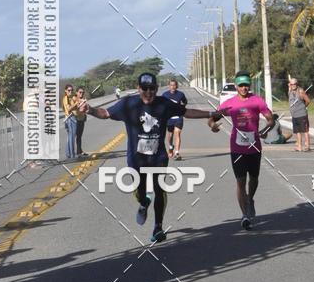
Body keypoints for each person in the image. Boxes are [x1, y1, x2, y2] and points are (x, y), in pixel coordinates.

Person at [80, 73, 212, 243]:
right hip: (136, 160)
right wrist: (89, 110)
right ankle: (143, 203)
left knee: (160, 189)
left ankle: (158, 227)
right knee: (140, 192)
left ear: (157, 89)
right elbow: (105, 113)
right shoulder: (128, 103)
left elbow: (186, 112)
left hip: (158, 158)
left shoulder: (163, 104)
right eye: (144, 89)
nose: (148, 92)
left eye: (152, 89)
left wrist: (211, 113)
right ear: (138, 88)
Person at [208, 72, 275, 230]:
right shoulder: (229, 104)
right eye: (241, 85)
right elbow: (211, 119)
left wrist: (265, 129)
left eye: (247, 85)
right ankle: (244, 215)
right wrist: (213, 127)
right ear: (236, 86)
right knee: (240, 181)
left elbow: (271, 118)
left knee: (254, 179)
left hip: (254, 147)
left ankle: (250, 199)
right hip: (237, 148)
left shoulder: (257, 101)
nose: (244, 88)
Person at [163, 78, 187, 160]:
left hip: (178, 117)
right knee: (170, 135)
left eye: (174, 85)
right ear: (169, 86)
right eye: (171, 85)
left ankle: (177, 153)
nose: (173, 87)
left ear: (176, 86)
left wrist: (182, 105)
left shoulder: (181, 94)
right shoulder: (165, 95)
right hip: (169, 118)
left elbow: (184, 103)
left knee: (178, 133)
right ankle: (170, 146)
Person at [288, 78, 310, 151]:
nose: (293, 85)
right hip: (294, 115)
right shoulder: (290, 92)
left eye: (294, 84)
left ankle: (307, 146)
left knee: (305, 131)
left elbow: (308, 101)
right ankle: (299, 147)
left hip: (302, 114)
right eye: (291, 84)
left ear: (297, 84)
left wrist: (303, 107)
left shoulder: (300, 91)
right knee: (297, 131)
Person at [62, 84, 78, 159]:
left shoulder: (72, 97)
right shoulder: (66, 98)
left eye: (71, 90)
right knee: (71, 137)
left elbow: (77, 101)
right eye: (69, 90)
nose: (70, 91)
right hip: (70, 118)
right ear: (65, 91)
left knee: (70, 137)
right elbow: (68, 109)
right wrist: (76, 104)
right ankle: (72, 154)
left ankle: (69, 153)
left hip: (72, 117)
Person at [75, 87, 88, 157]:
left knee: (79, 136)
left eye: (83, 92)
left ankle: (79, 151)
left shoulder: (83, 100)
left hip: (81, 119)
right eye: (80, 92)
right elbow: (76, 108)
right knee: (74, 136)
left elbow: (85, 109)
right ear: (76, 92)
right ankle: (72, 151)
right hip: (75, 120)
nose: (81, 94)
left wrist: (85, 116)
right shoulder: (75, 100)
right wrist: (81, 103)